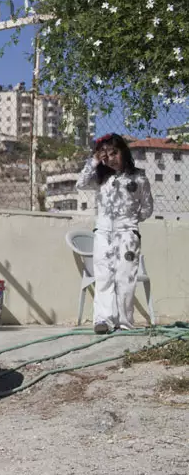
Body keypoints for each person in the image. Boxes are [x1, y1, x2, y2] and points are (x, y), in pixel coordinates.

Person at [76, 133, 154, 333]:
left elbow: (146, 208)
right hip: (103, 234)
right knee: (104, 276)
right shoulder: (101, 179)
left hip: (127, 234)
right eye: (106, 155)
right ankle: (103, 320)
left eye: (114, 153)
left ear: (123, 152)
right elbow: (80, 183)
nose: (111, 158)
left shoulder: (139, 178)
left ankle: (124, 322)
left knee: (125, 277)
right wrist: (94, 161)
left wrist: (130, 222)